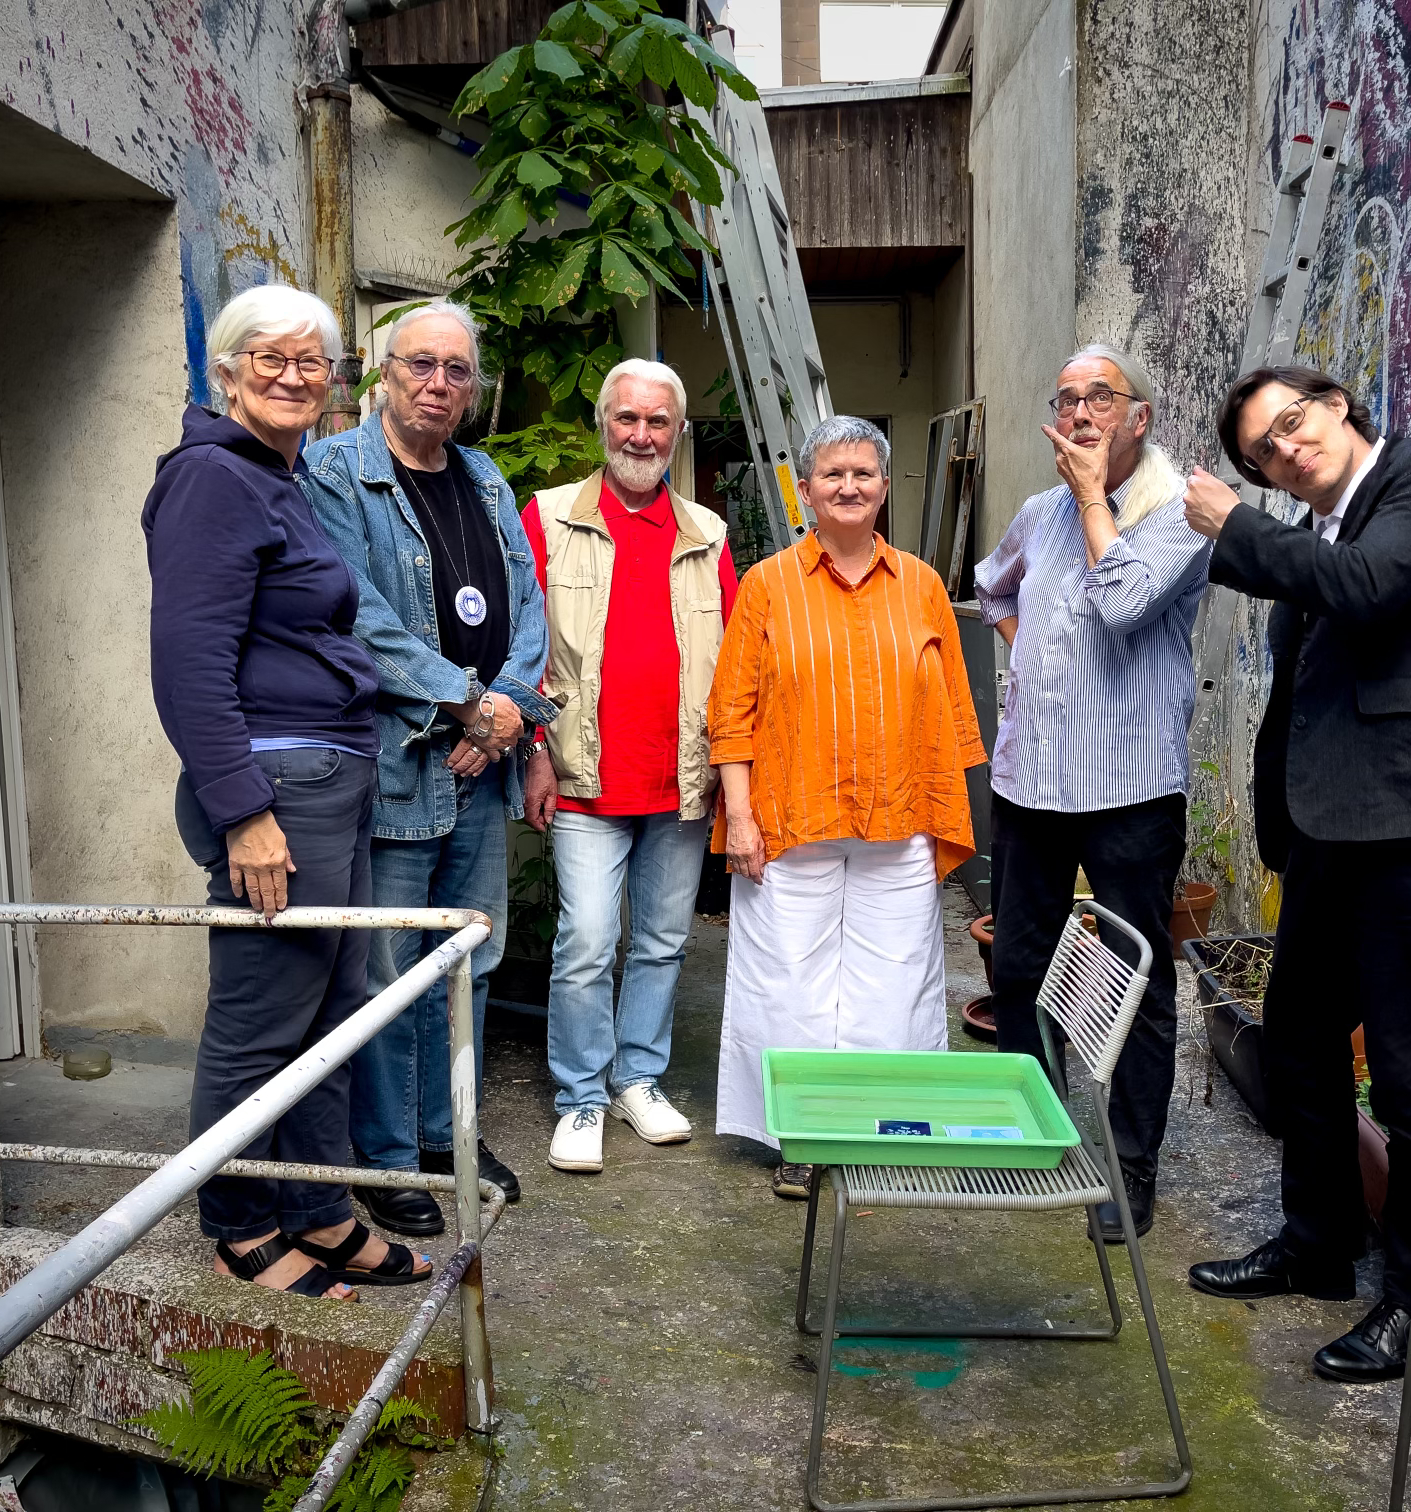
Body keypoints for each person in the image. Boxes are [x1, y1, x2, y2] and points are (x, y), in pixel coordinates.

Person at [1180, 366, 1411, 1383]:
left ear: (1336, 407)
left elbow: (1372, 591)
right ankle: (1317, 1244)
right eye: (1263, 452)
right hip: (1333, 839)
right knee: (1298, 1043)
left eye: (1291, 424)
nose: (1287, 450)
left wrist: (1235, 523)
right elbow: (1305, 688)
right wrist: (1280, 822)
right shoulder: (1313, 539)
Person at [144, 283, 432, 1298]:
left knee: (334, 1008)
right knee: (262, 1019)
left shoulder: (278, 479)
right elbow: (187, 662)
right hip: (277, 783)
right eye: (271, 358)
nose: (295, 376)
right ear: (225, 371)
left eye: (313, 361)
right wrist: (244, 811)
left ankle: (316, 1205)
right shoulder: (212, 481)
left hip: (328, 774)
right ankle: (237, 1220)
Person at [303, 300, 555, 1235]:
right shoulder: (335, 473)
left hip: (480, 761)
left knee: (470, 960)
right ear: (381, 373)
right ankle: (388, 1156)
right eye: (420, 365)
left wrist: (501, 720)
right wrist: (461, 700)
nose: (438, 384)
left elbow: (528, 609)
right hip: (401, 759)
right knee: (390, 967)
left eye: (456, 370)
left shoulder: (485, 478)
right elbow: (353, 611)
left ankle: (451, 1134)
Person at [708, 415, 989, 1199]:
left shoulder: (924, 585)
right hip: (791, 815)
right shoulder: (767, 585)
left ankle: (883, 1129)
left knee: (894, 979)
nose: (849, 487)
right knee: (787, 983)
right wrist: (741, 817)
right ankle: (800, 1135)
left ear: (882, 487)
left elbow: (951, 713)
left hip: (899, 814)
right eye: (833, 474)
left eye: (863, 473)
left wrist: (941, 810)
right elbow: (731, 711)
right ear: (806, 489)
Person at [973, 344, 1210, 1243]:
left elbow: (1120, 604)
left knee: (1137, 983)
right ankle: (1035, 1139)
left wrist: (1088, 496)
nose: (1078, 412)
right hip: (1032, 780)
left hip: (1132, 789)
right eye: (1066, 397)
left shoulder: (1177, 513)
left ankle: (1131, 1167)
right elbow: (992, 589)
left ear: (1137, 417)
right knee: (1021, 969)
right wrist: (1033, 661)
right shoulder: (1037, 513)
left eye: (1099, 398)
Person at [518, 360, 738, 1175]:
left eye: (659, 422)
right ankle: (579, 1097)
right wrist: (534, 755)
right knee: (585, 941)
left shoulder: (708, 533)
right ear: (603, 424)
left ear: (678, 433)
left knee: (663, 942)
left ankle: (635, 1080)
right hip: (583, 775)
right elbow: (521, 651)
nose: (642, 435)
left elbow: (735, 659)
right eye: (628, 419)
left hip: (680, 778)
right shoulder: (547, 517)